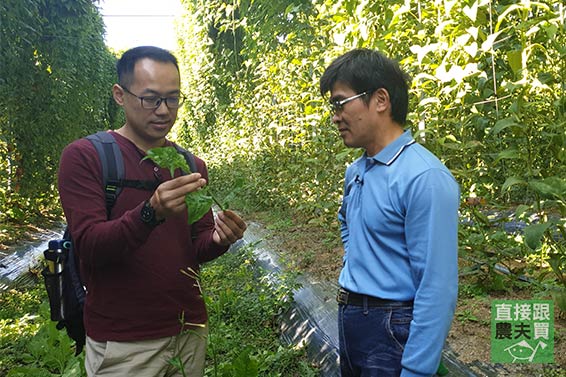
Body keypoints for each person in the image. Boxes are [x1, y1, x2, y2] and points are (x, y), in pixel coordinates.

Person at [58, 46, 247, 377]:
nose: (164, 110)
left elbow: (196, 246)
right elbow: (89, 245)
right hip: (124, 344)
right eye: (151, 99)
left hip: (188, 331)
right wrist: (149, 213)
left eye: (172, 99)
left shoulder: (190, 165)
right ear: (120, 94)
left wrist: (219, 239)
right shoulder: (86, 157)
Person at [320, 48, 460, 377]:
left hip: (391, 329)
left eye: (341, 103)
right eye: (333, 107)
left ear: (380, 100)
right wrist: (358, 256)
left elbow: (437, 287)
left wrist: (416, 369)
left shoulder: (424, 177)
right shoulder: (356, 171)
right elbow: (346, 221)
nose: (335, 116)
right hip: (353, 320)